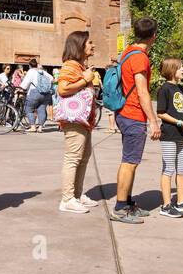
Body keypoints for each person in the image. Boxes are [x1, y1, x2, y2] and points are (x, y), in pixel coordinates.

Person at [112, 17, 160, 224]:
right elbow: (142, 92)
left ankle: (128, 202)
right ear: (153, 36)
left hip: (124, 113)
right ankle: (120, 208)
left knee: (131, 160)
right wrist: (153, 121)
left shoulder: (127, 52)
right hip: (133, 115)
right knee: (129, 162)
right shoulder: (140, 57)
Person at [56, 30, 102, 213]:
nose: (93, 45)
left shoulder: (80, 66)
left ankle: (76, 194)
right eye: (89, 42)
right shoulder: (70, 66)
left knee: (83, 157)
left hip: (84, 120)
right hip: (74, 120)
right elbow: (62, 89)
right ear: (79, 45)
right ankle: (67, 199)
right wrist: (84, 80)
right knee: (73, 158)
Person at [155, 59, 183, 218]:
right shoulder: (164, 89)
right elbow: (160, 112)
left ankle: (181, 203)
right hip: (169, 134)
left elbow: (181, 109)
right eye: (181, 67)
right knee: (168, 169)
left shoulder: (180, 88)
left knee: (182, 169)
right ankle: (166, 206)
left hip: (182, 134)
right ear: (172, 70)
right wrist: (180, 122)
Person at [24, 58, 52, 132]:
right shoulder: (42, 71)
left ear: (29, 65)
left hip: (35, 93)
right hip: (46, 93)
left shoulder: (31, 71)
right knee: (42, 109)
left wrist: (21, 88)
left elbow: (25, 84)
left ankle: (33, 127)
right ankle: (40, 128)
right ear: (36, 65)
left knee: (29, 109)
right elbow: (52, 79)